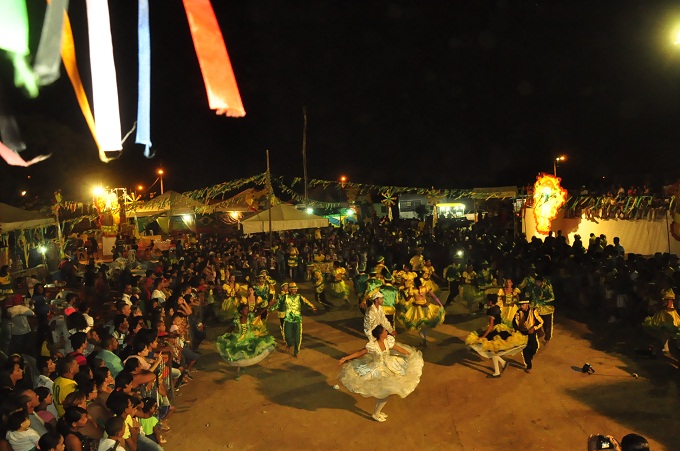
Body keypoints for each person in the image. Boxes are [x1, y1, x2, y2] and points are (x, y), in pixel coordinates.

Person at [338, 325, 423, 422]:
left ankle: (377, 412)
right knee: (386, 392)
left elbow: (399, 349)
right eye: (385, 331)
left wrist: (411, 355)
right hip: (376, 369)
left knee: (386, 392)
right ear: (380, 334)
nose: (387, 332)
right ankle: (376, 413)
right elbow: (360, 353)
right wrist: (345, 358)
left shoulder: (387, 341)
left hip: (390, 366)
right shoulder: (373, 346)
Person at [465, 295, 527, 378]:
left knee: (492, 351)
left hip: (495, 331)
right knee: (494, 351)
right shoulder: (497, 307)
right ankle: (503, 363)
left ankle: (497, 372)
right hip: (501, 329)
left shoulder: (491, 311)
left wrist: (484, 336)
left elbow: (491, 326)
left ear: (490, 302)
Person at [216, 301, 276, 380]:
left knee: (249, 353)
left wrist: (268, 306)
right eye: (245, 309)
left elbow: (259, 313)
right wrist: (224, 336)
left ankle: (243, 366)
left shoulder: (249, 317)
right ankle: (238, 373)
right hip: (239, 339)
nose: (247, 311)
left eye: (248, 309)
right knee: (238, 355)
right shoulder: (236, 320)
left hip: (249, 338)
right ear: (241, 311)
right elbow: (230, 329)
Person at [272, 282, 317, 357]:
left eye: (296, 289)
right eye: (293, 289)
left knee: (297, 336)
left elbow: (306, 302)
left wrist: (313, 307)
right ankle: (289, 344)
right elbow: (278, 304)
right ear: (289, 290)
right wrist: (270, 308)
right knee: (287, 335)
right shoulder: (285, 297)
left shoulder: (299, 297)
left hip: (297, 319)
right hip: (288, 319)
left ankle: (296, 351)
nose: (295, 290)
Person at [398, 277, 444, 347]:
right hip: (426, 307)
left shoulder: (413, 290)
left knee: (418, 326)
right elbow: (434, 297)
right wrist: (440, 304)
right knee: (424, 326)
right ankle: (424, 341)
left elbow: (407, 299)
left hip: (417, 309)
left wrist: (403, 293)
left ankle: (424, 341)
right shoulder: (425, 288)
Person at [513, 295, 544, 373]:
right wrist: (517, 330)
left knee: (534, 347)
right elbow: (515, 322)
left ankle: (530, 356)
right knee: (525, 349)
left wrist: (533, 328)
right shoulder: (518, 312)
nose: (521, 306)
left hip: (531, 333)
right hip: (523, 333)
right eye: (521, 305)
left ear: (527, 304)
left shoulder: (533, 311)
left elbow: (540, 322)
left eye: (523, 305)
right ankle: (529, 365)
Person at [529, 275, 555, 344]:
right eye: (536, 282)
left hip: (547, 310)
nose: (537, 283)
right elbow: (533, 299)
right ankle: (539, 335)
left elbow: (552, 297)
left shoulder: (547, 287)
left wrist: (543, 301)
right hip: (538, 310)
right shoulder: (534, 289)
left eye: (538, 282)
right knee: (537, 324)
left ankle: (547, 338)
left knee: (547, 325)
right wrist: (531, 305)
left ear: (542, 282)